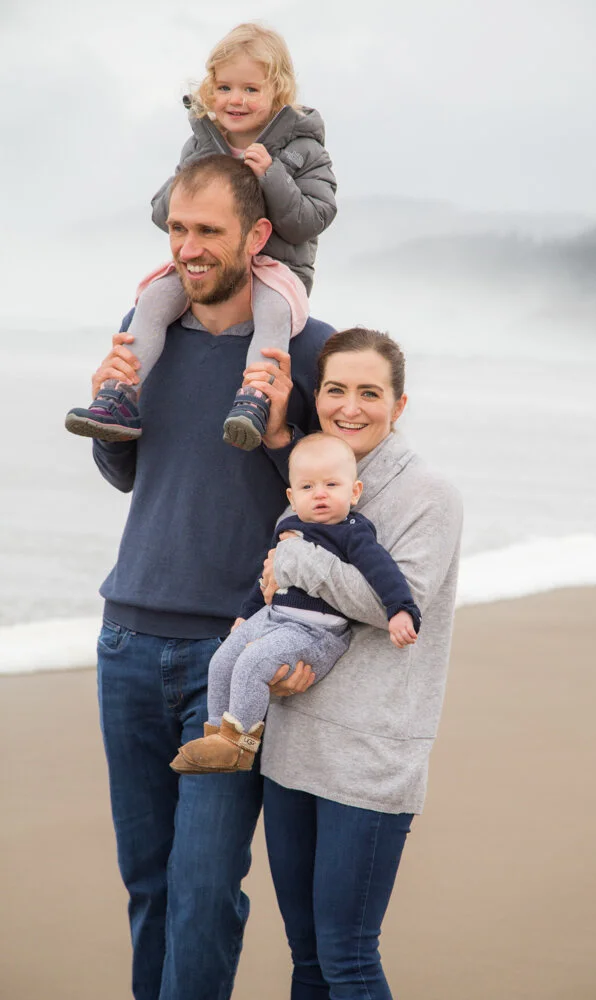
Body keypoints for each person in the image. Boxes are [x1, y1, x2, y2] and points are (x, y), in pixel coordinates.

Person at [92, 152, 333, 1000]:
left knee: (201, 891)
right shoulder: (147, 328)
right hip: (124, 640)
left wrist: (275, 435)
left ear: (258, 236)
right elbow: (132, 477)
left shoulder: (310, 351)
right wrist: (109, 415)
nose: (187, 249)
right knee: (149, 886)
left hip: (230, 659)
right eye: (176, 230)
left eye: (207, 232)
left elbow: (328, 511)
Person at [242, 326, 463, 999]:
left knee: (347, 957)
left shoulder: (429, 493)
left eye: (370, 392)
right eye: (336, 389)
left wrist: (296, 557)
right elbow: (281, 601)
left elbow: (394, 602)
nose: (350, 406)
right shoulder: (315, 476)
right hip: (293, 743)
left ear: (398, 406)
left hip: (369, 757)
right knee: (304, 956)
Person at [66, 22, 336, 451]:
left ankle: (256, 399)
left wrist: (273, 175)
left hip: (274, 271)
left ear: (278, 91)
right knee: (152, 299)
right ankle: (119, 395)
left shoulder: (305, 149)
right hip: (209, 270)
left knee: (272, 316)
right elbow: (163, 212)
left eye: (250, 88)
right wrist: (200, 174)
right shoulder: (200, 143)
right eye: (225, 87)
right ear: (210, 88)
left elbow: (313, 218)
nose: (236, 99)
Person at [170, 432, 421, 775]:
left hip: (318, 632)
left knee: (254, 662)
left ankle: (238, 744)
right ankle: (217, 731)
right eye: (307, 487)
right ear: (292, 495)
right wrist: (246, 616)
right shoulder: (288, 527)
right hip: (274, 616)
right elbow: (267, 580)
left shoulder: (353, 532)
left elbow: (383, 573)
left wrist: (400, 610)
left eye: (332, 484)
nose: (319, 493)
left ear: (354, 491)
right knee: (223, 657)